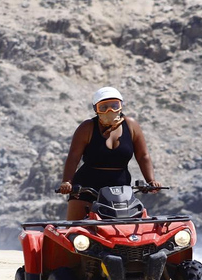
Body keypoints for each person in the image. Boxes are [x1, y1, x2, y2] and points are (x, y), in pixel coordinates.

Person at [58, 87, 162, 220]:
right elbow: (74, 157)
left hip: (120, 189)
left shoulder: (131, 126)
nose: (110, 110)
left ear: (121, 106)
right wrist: (67, 182)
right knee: (76, 230)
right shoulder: (87, 128)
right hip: (87, 187)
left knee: (124, 231)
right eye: (104, 107)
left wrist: (150, 181)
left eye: (114, 105)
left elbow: (143, 156)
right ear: (96, 110)